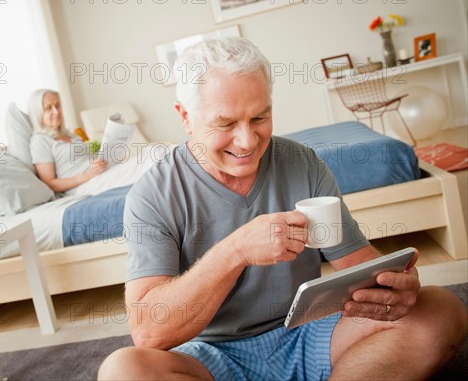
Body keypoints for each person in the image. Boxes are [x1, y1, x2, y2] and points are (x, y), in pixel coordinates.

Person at [98, 37, 467, 380]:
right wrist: (236, 250)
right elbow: (148, 332)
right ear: (185, 117)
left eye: (259, 117)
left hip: (308, 331)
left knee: (439, 310)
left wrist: (393, 288)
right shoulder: (153, 194)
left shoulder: (301, 162)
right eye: (225, 123)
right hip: (210, 354)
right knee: (123, 370)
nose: (247, 141)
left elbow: (357, 263)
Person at [28, 89, 158, 197]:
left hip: (99, 174)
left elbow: (89, 161)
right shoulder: (40, 140)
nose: (56, 112)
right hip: (82, 186)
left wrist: (110, 159)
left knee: (154, 152)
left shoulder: (72, 135)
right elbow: (49, 183)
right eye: (48, 108)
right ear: (38, 113)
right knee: (154, 156)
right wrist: (85, 176)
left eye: (57, 106)